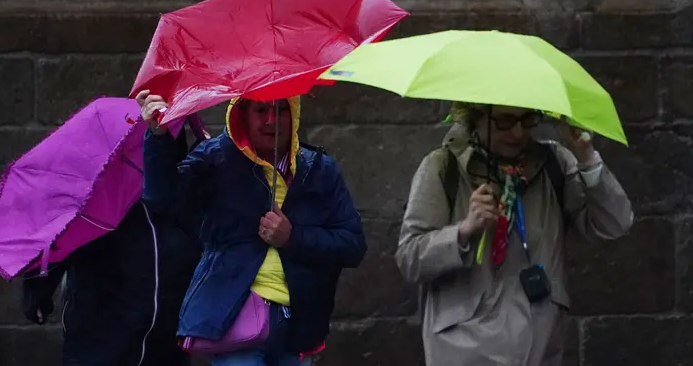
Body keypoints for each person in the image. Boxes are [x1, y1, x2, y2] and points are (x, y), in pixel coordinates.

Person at [137, 90, 366, 366]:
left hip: (299, 331)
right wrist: (159, 137)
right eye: (260, 111)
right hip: (234, 326)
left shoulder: (319, 169)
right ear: (242, 113)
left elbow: (352, 246)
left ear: (294, 114)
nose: (271, 120)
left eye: (281, 109)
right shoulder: (214, 158)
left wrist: (293, 237)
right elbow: (162, 199)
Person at [395, 103, 634, 366]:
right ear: (477, 116)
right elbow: (410, 257)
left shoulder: (555, 162)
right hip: (464, 351)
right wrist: (463, 231)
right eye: (504, 121)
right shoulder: (442, 167)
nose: (518, 132)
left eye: (528, 119)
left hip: (539, 347)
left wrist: (587, 158)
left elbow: (614, 224)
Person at [22, 122, 204, 366]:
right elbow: (60, 240)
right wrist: (37, 291)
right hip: (101, 340)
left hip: (165, 340)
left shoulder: (185, 190)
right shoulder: (101, 196)